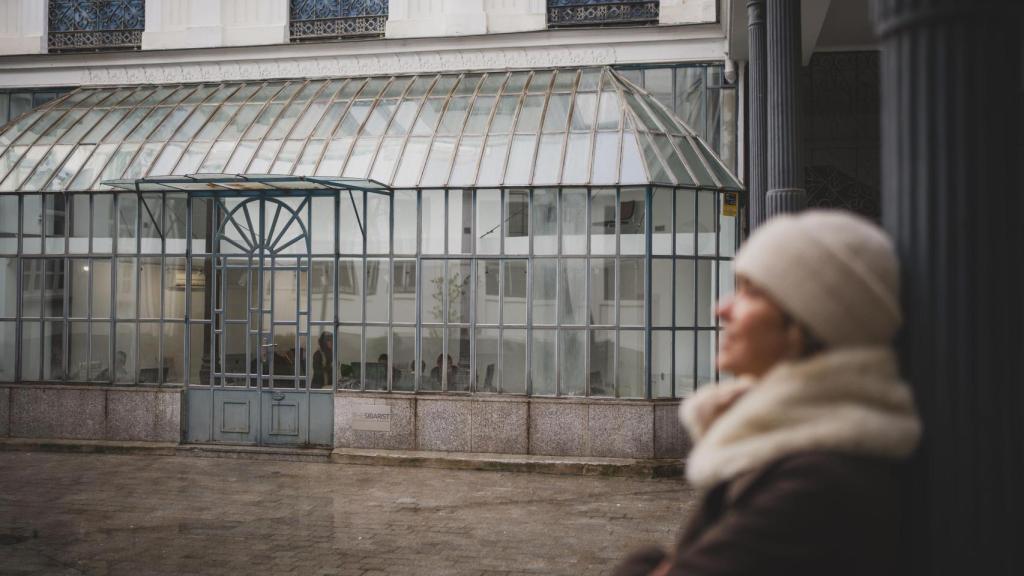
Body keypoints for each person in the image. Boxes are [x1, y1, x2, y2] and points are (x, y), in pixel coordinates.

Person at [614, 210, 921, 576]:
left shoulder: (814, 483)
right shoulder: (795, 448)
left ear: (807, 325)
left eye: (751, 292)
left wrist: (644, 564)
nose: (721, 308)